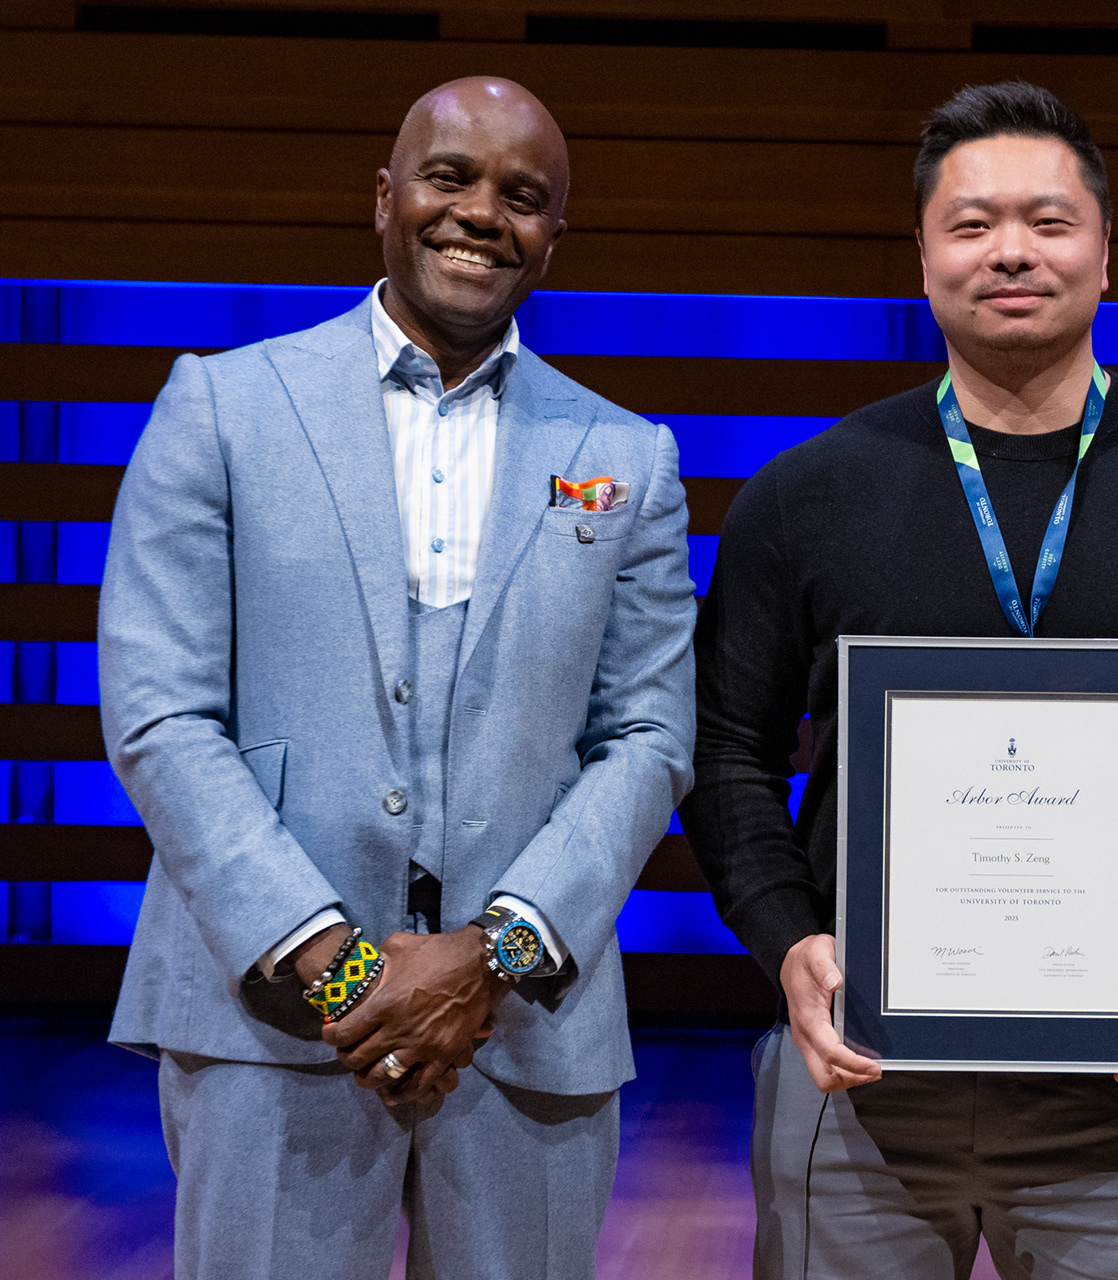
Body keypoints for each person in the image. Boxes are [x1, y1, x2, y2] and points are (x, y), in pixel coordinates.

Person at [680, 81, 1118, 1279]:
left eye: (1048, 220)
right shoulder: (803, 497)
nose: (1012, 251)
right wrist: (788, 941)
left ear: (1106, 251)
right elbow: (726, 746)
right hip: (858, 1070)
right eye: (972, 223)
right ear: (923, 254)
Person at [100, 78, 696, 1279]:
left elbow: (649, 735)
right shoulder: (220, 405)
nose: (481, 213)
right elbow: (161, 713)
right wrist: (340, 962)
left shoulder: (627, 456)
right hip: (270, 1016)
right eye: (449, 177)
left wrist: (495, 950)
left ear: (554, 236)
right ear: (385, 198)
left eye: (521, 195)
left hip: (525, 1027)